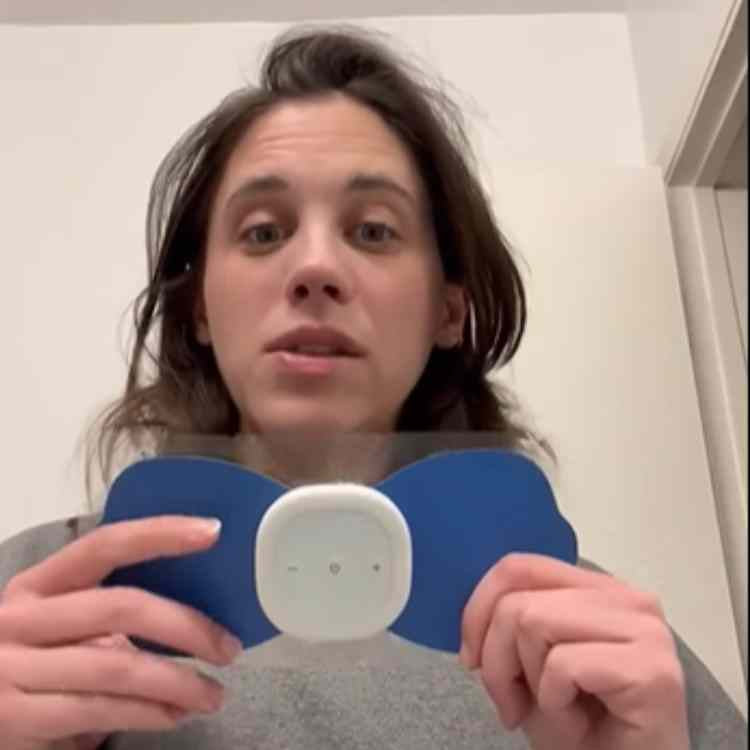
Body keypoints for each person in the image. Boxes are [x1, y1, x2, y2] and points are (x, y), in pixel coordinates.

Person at [0, 24, 745, 750]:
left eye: (374, 231)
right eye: (263, 232)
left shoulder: (583, 642)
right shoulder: (38, 600)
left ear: (448, 310)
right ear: (198, 308)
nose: (315, 267)